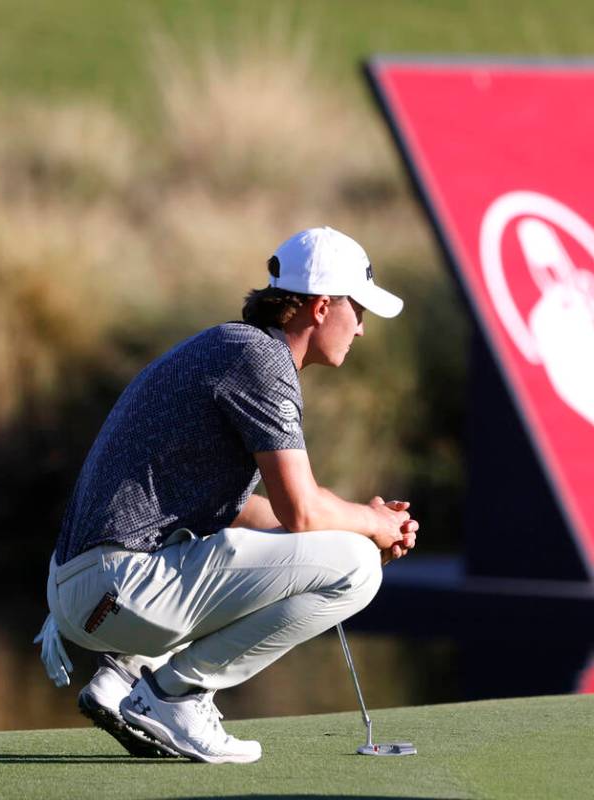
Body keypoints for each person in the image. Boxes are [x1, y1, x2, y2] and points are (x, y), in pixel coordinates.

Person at [33, 227, 418, 764]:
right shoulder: (260, 360)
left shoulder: (231, 347)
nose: (362, 329)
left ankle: (126, 679)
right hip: (115, 584)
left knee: (335, 543)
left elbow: (241, 510)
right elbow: (300, 509)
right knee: (357, 566)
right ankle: (177, 695)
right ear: (322, 307)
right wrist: (369, 526)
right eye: (359, 311)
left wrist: (357, 521)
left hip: (89, 589)